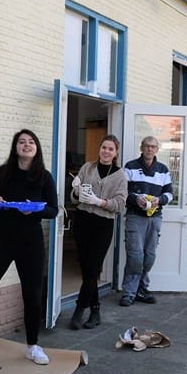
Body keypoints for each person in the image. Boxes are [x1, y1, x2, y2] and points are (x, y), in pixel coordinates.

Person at [0, 129, 59, 365]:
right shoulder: (3, 173)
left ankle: (33, 346)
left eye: (31, 142)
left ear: (36, 148)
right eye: (21, 142)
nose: (26, 145)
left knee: (32, 294)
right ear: (15, 147)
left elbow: (53, 210)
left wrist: (34, 210)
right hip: (1, 237)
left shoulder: (44, 176)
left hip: (30, 239)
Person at [68, 135, 127, 329]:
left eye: (110, 149)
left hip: (103, 224)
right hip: (83, 220)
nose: (106, 151)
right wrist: (76, 191)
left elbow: (120, 204)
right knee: (86, 269)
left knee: (93, 267)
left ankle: (78, 310)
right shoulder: (87, 168)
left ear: (115, 153)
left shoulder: (120, 175)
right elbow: (74, 198)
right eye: (104, 147)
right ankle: (95, 310)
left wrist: (100, 202)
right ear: (99, 148)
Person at [120, 136, 173, 307]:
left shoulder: (163, 170)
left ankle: (141, 289)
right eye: (147, 146)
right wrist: (136, 199)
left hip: (155, 217)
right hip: (135, 217)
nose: (150, 149)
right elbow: (122, 191)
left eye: (153, 146)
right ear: (141, 148)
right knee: (135, 256)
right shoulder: (130, 166)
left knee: (149, 256)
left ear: (157, 149)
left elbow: (170, 193)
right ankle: (129, 292)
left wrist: (160, 200)